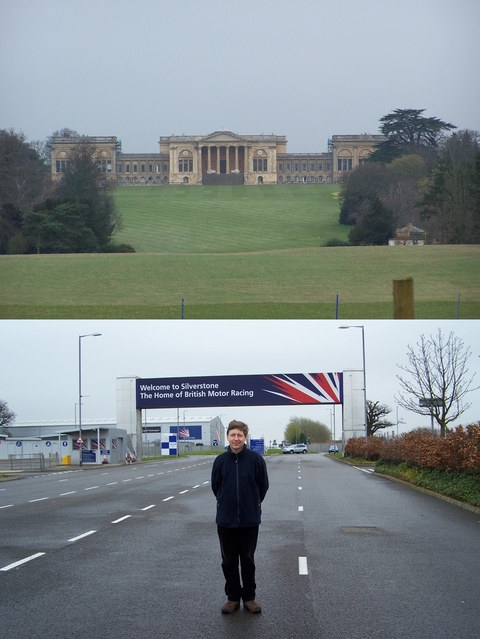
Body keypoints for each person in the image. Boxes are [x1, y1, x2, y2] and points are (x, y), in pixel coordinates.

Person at [211, 420, 269, 614]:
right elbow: (215, 487)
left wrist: (251, 503)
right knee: (228, 561)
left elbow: (263, 486)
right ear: (228, 436)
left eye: (240, 435)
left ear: (245, 437)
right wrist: (226, 503)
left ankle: (250, 598)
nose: (236, 439)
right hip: (225, 520)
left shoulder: (255, 460)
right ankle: (233, 598)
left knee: (247, 560)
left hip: (249, 520)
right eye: (233, 435)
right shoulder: (220, 461)